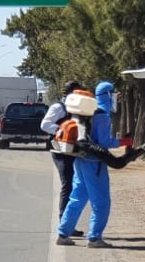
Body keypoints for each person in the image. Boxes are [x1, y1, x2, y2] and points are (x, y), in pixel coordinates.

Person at [55, 81, 132, 248]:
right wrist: (124, 141)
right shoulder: (102, 114)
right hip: (94, 163)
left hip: (80, 160)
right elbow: (104, 142)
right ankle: (95, 238)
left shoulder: (87, 111)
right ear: (108, 95)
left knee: (77, 198)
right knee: (101, 201)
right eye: (114, 94)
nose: (116, 97)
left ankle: (63, 233)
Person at [41, 80, 85, 239]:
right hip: (60, 150)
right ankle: (64, 224)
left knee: (75, 184)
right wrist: (62, 130)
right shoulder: (59, 107)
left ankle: (69, 223)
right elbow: (45, 124)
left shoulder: (76, 108)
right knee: (68, 183)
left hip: (74, 149)